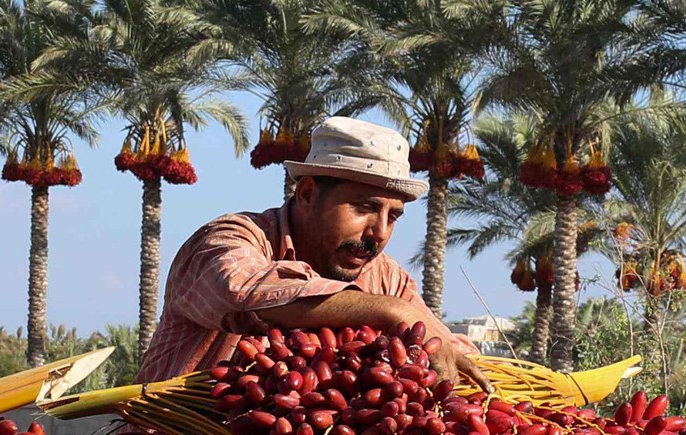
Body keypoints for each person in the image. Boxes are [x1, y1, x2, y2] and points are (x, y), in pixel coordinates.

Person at [137, 116, 492, 391]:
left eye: (393, 216)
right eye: (364, 207)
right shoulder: (230, 239)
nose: (379, 233)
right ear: (306, 194)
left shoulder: (386, 279)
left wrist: (442, 347)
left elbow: (448, 352)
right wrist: (391, 311)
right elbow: (246, 294)